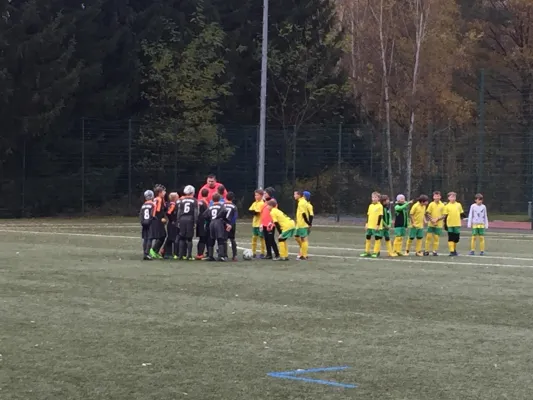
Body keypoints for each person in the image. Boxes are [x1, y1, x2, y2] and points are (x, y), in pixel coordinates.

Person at [203, 193, 231, 261]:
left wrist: (209, 220)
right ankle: (220, 256)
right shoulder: (221, 206)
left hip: (212, 222)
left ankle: (210, 256)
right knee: (220, 239)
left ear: (212, 199)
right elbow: (224, 212)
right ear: (219, 199)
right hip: (219, 223)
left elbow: (204, 215)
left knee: (211, 239)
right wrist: (226, 221)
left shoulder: (210, 206)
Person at [177, 185, 198, 260]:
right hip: (190, 219)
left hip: (182, 219)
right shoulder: (194, 200)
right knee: (189, 238)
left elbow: (179, 211)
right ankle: (189, 255)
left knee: (182, 237)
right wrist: (195, 221)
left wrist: (178, 220)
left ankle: (180, 255)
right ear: (192, 192)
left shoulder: (182, 200)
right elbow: (195, 212)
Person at [360, 192, 383, 258]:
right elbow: (368, 215)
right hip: (370, 225)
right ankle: (367, 251)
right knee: (368, 238)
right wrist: (366, 223)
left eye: (375, 197)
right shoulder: (370, 206)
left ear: (378, 198)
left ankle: (375, 252)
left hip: (376, 226)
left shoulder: (380, 206)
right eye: (373, 197)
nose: (374, 198)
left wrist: (378, 225)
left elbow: (380, 216)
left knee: (377, 238)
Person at [443, 191, 465, 256]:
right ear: (448, 198)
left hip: (457, 224)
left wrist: (465, 217)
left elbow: (461, 213)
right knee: (451, 238)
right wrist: (444, 224)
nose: (453, 198)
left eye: (454, 196)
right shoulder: (447, 206)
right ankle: (451, 251)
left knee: (456, 239)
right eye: (451, 197)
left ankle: (454, 250)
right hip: (450, 224)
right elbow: (445, 216)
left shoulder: (458, 205)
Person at [149, 184, 167, 259]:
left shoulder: (159, 199)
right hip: (157, 220)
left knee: (162, 236)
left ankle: (155, 251)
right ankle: (153, 250)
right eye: (163, 191)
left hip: (156, 220)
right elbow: (157, 211)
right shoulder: (159, 199)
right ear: (159, 192)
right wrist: (161, 218)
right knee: (162, 235)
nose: (165, 192)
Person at [261, 187, 280, 260]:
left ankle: (277, 254)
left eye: (266, 193)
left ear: (270, 194)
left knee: (271, 239)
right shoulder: (265, 201)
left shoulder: (273, 201)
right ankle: (269, 254)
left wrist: (272, 222)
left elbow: (274, 213)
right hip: (265, 223)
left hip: (270, 224)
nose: (264, 194)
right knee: (266, 239)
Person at [424, 191, 445, 256]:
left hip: (438, 225)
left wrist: (437, 219)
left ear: (440, 197)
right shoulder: (431, 204)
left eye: (438, 196)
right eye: (435, 196)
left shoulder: (442, 205)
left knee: (436, 238)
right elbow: (427, 213)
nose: (437, 197)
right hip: (431, 224)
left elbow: (444, 215)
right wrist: (432, 220)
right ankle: (426, 250)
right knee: (428, 237)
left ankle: (434, 251)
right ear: (433, 197)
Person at [293, 191, 312, 260]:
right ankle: (303, 251)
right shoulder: (301, 202)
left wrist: (308, 223)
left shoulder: (303, 203)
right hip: (299, 223)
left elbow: (306, 214)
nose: (294, 196)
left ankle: (304, 255)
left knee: (304, 239)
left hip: (303, 224)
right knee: (297, 237)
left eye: (295, 194)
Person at [248, 189, 266, 258]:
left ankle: (262, 252)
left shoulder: (262, 203)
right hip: (255, 224)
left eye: (257, 195)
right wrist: (253, 212)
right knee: (254, 238)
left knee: (262, 238)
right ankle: (253, 252)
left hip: (260, 224)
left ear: (261, 196)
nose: (255, 196)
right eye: (255, 195)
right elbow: (250, 210)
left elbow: (257, 213)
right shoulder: (254, 203)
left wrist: (254, 212)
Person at [140, 190, 155, 260]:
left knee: (145, 238)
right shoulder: (153, 204)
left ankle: (144, 253)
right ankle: (147, 253)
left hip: (144, 222)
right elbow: (152, 214)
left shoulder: (143, 205)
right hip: (150, 223)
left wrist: (142, 222)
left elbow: (141, 215)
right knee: (149, 238)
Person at [195, 188, 210, 260]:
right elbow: (207, 213)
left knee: (201, 238)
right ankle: (200, 254)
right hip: (204, 222)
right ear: (208, 194)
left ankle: (199, 253)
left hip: (198, 221)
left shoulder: (198, 201)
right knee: (204, 238)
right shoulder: (205, 202)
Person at [224, 192, 239, 261]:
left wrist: (225, 223)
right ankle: (235, 255)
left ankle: (225, 255)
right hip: (231, 224)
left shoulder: (223, 205)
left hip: (224, 224)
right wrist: (231, 224)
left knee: (224, 240)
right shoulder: (234, 206)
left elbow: (221, 215)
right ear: (233, 199)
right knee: (232, 239)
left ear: (226, 197)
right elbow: (235, 217)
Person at [165, 192, 179, 259]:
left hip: (171, 224)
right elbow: (169, 213)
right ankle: (168, 253)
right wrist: (172, 220)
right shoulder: (173, 204)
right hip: (172, 224)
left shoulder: (170, 203)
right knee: (171, 238)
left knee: (170, 237)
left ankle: (168, 252)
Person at [302, 191, 314, 259]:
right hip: (302, 223)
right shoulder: (304, 204)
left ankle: (304, 254)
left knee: (304, 239)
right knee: (301, 238)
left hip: (305, 224)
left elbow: (311, 215)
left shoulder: (308, 205)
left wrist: (310, 223)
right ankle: (303, 253)